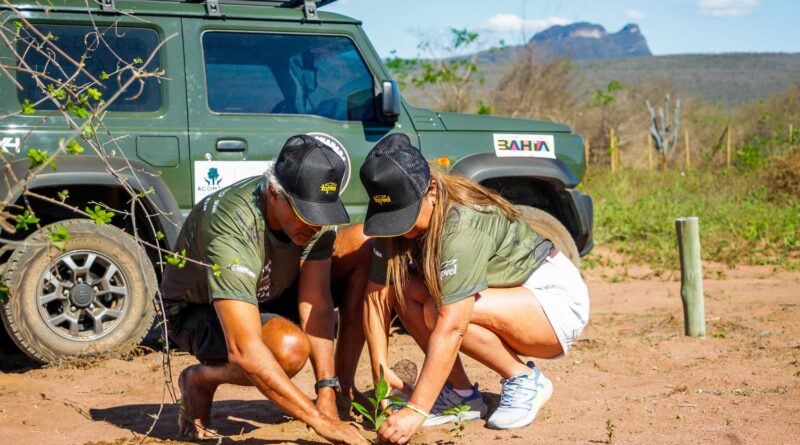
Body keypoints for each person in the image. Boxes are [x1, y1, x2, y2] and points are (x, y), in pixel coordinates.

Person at [359, 134, 590, 444]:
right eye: (392, 219)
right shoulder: (396, 221)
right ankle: (460, 395)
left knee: (438, 311)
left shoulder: (462, 221)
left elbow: (452, 326)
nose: (402, 228)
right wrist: (380, 368)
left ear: (430, 191)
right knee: (401, 288)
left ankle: (523, 379)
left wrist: (416, 409)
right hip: (502, 298)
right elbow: (377, 296)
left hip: (553, 302)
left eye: (406, 217)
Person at [161, 135, 368, 445]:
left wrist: (326, 389)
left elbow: (316, 301)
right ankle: (200, 379)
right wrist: (318, 421)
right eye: (305, 213)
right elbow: (243, 348)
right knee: (288, 348)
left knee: (364, 245)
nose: (314, 225)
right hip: (197, 310)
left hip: (266, 291)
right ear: (274, 193)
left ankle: (344, 389)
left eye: (320, 215)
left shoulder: (313, 218)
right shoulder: (231, 223)